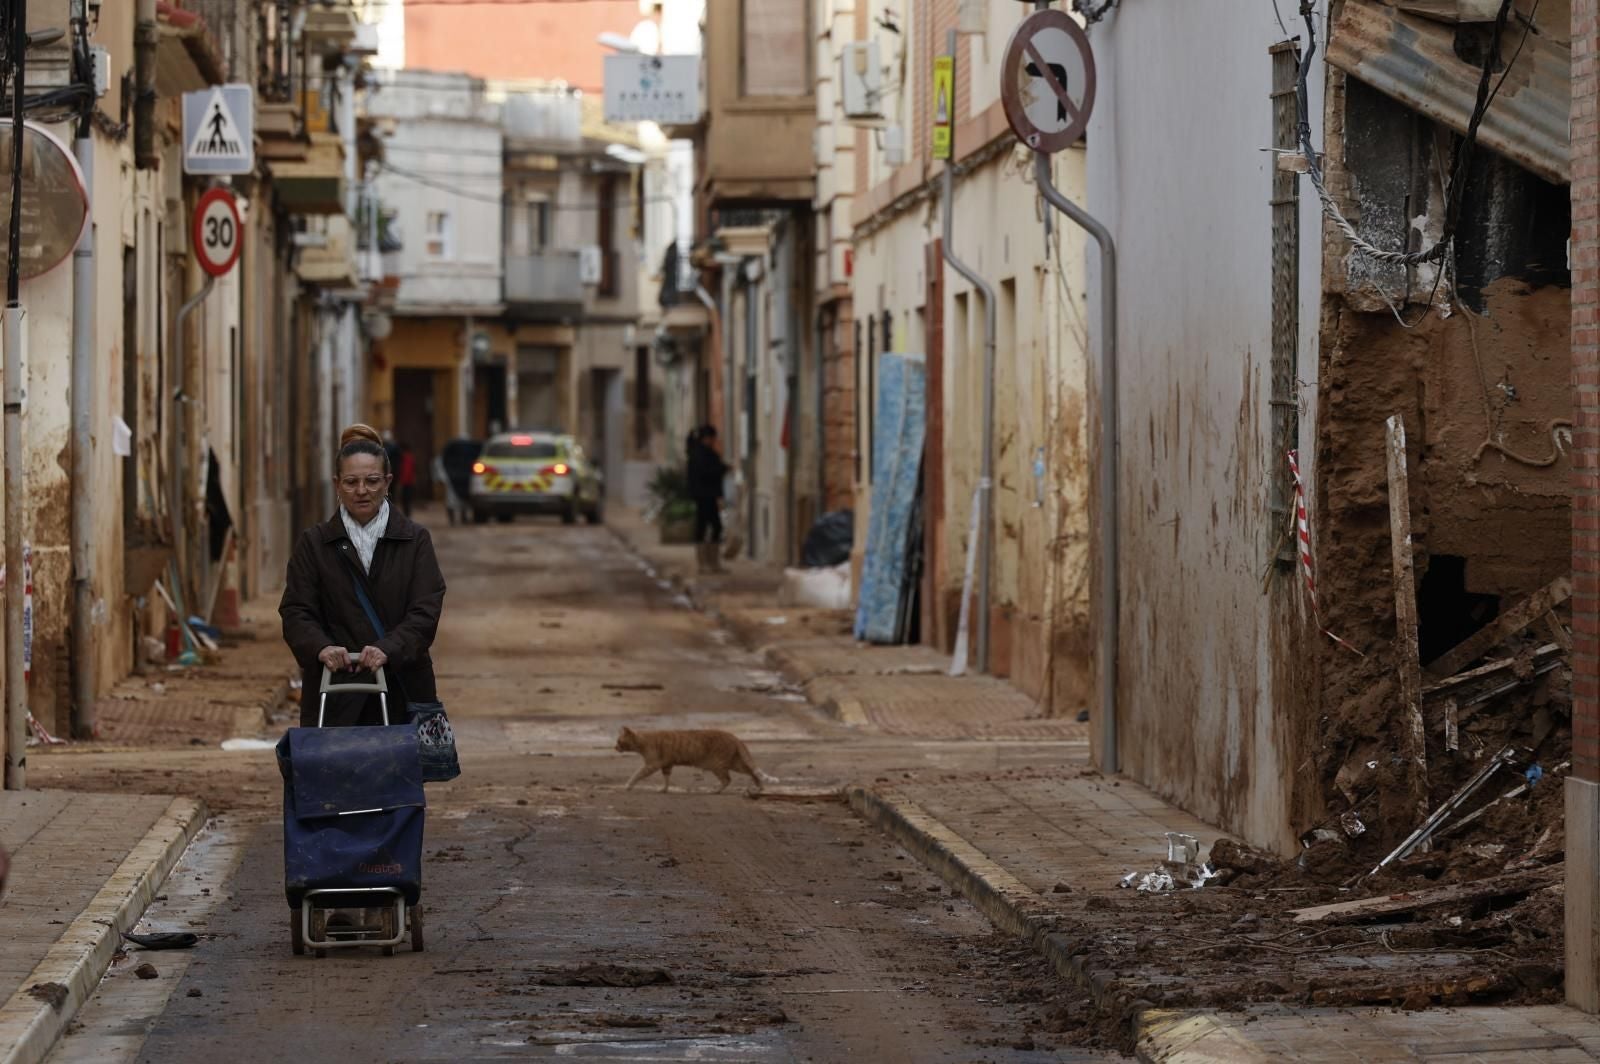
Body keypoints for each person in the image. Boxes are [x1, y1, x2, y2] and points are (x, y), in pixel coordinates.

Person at [280, 424, 446, 728]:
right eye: (351, 482)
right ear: (336, 484)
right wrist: (321, 647)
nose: (361, 491)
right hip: (334, 694)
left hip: (402, 690)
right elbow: (296, 610)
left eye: (371, 481)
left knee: (398, 773)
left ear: (388, 482)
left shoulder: (414, 540)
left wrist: (388, 649)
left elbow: (426, 610)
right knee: (335, 773)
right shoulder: (315, 543)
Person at [686, 425, 730, 575]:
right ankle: (705, 563)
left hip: (707, 495)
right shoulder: (700, 454)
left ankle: (712, 562)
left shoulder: (704, 453)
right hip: (705, 496)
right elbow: (707, 473)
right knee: (706, 526)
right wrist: (722, 469)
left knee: (713, 526)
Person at [398, 443, 418, 517]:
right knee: (407, 499)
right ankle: (407, 513)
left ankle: (407, 513)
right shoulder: (410, 458)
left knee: (405, 498)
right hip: (409, 481)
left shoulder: (405, 458)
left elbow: (407, 470)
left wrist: (401, 480)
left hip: (406, 481)